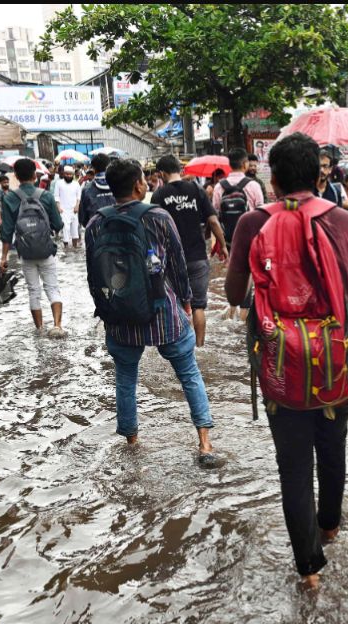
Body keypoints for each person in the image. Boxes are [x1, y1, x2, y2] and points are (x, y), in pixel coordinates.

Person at [224, 132, 348, 590]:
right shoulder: (346, 221)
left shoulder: (253, 223)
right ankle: (331, 527)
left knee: (293, 466)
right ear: (319, 173)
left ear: (273, 177)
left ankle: (309, 570)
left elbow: (232, 294)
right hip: (337, 357)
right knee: (333, 447)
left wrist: (271, 299)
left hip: (278, 360)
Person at [92, 158, 220, 467]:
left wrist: (106, 311)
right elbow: (176, 265)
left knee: (125, 378)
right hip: (163, 314)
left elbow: (92, 275)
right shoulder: (158, 217)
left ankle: (132, 442)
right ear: (139, 185)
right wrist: (186, 303)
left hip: (120, 316)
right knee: (189, 373)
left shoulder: (96, 223)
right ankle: (204, 443)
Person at [151, 154, 227, 347]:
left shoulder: (159, 195)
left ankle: (183, 348)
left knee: (177, 305)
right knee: (198, 306)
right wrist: (223, 245)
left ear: (161, 173)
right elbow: (212, 220)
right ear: (180, 169)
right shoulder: (196, 190)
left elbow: (152, 229)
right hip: (198, 256)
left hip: (171, 260)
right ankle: (200, 347)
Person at [0, 158, 66, 337]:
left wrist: (3, 258)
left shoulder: (10, 198)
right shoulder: (46, 196)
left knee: (33, 291)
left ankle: (39, 329)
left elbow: (6, 232)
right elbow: (58, 224)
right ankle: (58, 326)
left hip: (26, 253)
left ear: (16, 177)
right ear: (34, 176)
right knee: (52, 287)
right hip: (46, 250)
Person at [211, 149, 265, 242]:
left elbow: (215, 213)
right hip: (249, 238)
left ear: (230, 164)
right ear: (245, 164)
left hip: (227, 238)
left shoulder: (219, 187)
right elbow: (260, 213)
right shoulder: (254, 185)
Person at [79, 153, 116, 229]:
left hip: (96, 232)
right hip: (117, 230)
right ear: (109, 166)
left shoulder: (86, 189)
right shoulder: (118, 184)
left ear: (93, 169)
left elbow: (83, 219)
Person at [53, 165, 83, 248]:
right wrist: (59, 207)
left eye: (70, 174)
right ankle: (66, 248)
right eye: (67, 174)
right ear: (64, 174)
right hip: (63, 210)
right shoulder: (59, 183)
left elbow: (78, 196)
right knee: (65, 229)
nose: (69, 176)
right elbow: (56, 196)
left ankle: (75, 247)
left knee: (75, 230)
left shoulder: (76, 184)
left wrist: (77, 206)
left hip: (74, 209)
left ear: (72, 175)